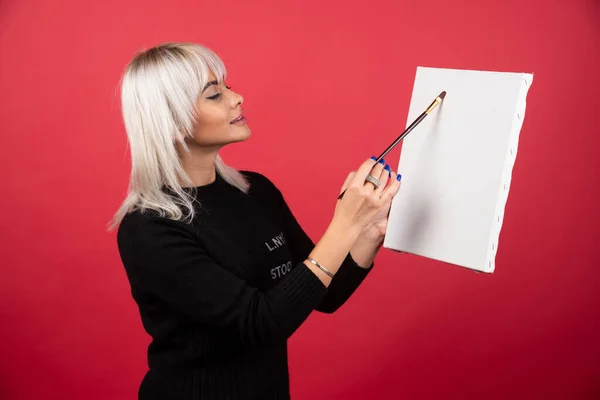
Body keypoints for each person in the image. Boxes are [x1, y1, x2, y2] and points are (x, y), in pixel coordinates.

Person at [110, 42, 402, 400]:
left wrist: (366, 232)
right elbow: (260, 322)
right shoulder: (149, 229)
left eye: (227, 87)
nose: (237, 98)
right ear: (171, 124)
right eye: (215, 95)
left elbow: (324, 293)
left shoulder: (256, 191)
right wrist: (344, 224)